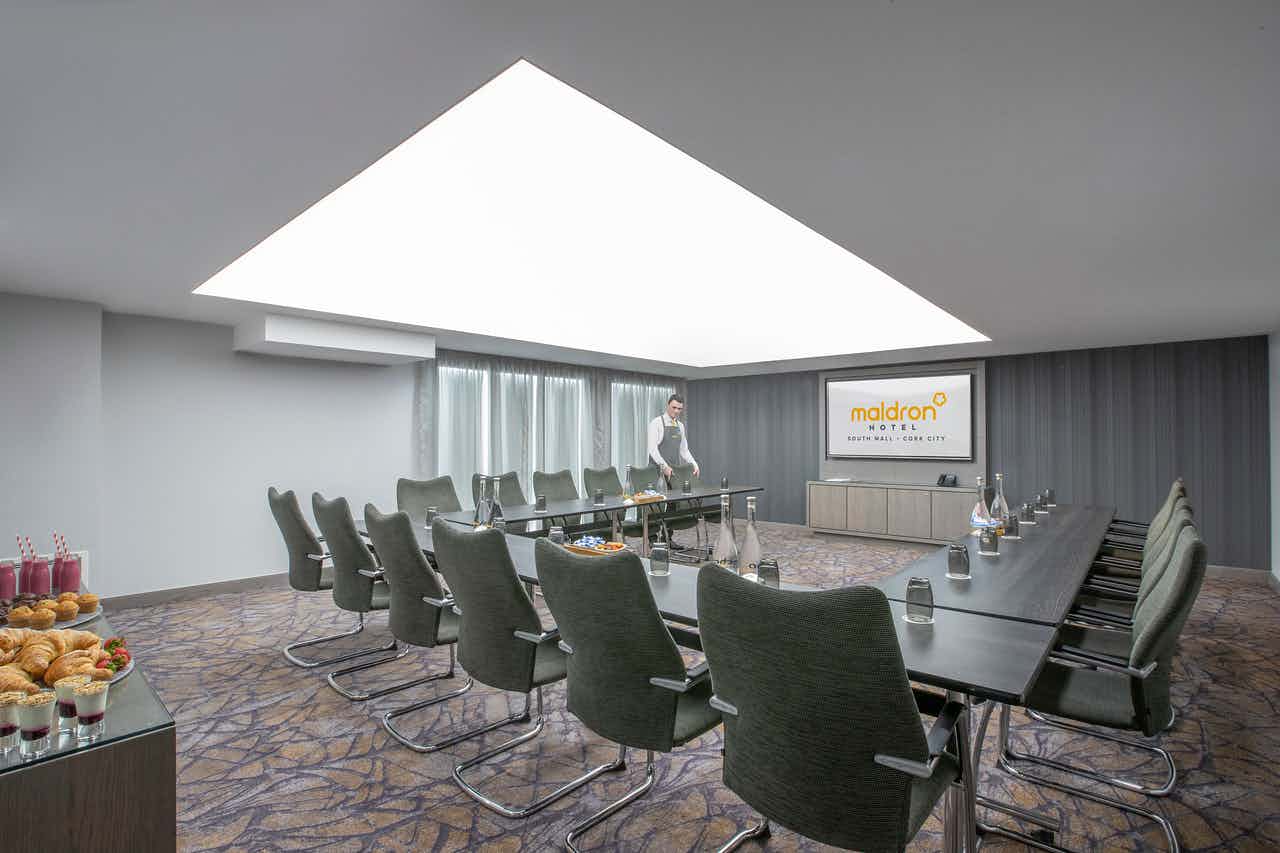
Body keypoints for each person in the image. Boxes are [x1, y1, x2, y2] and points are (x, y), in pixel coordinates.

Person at [647, 394, 699, 486]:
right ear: (668, 405)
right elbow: (653, 450)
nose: (676, 411)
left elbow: (684, 450)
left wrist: (694, 464)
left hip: (673, 473)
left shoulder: (680, 426)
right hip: (656, 473)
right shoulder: (656, 423)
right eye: (674, 407)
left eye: (679, 409)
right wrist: (664, 467)